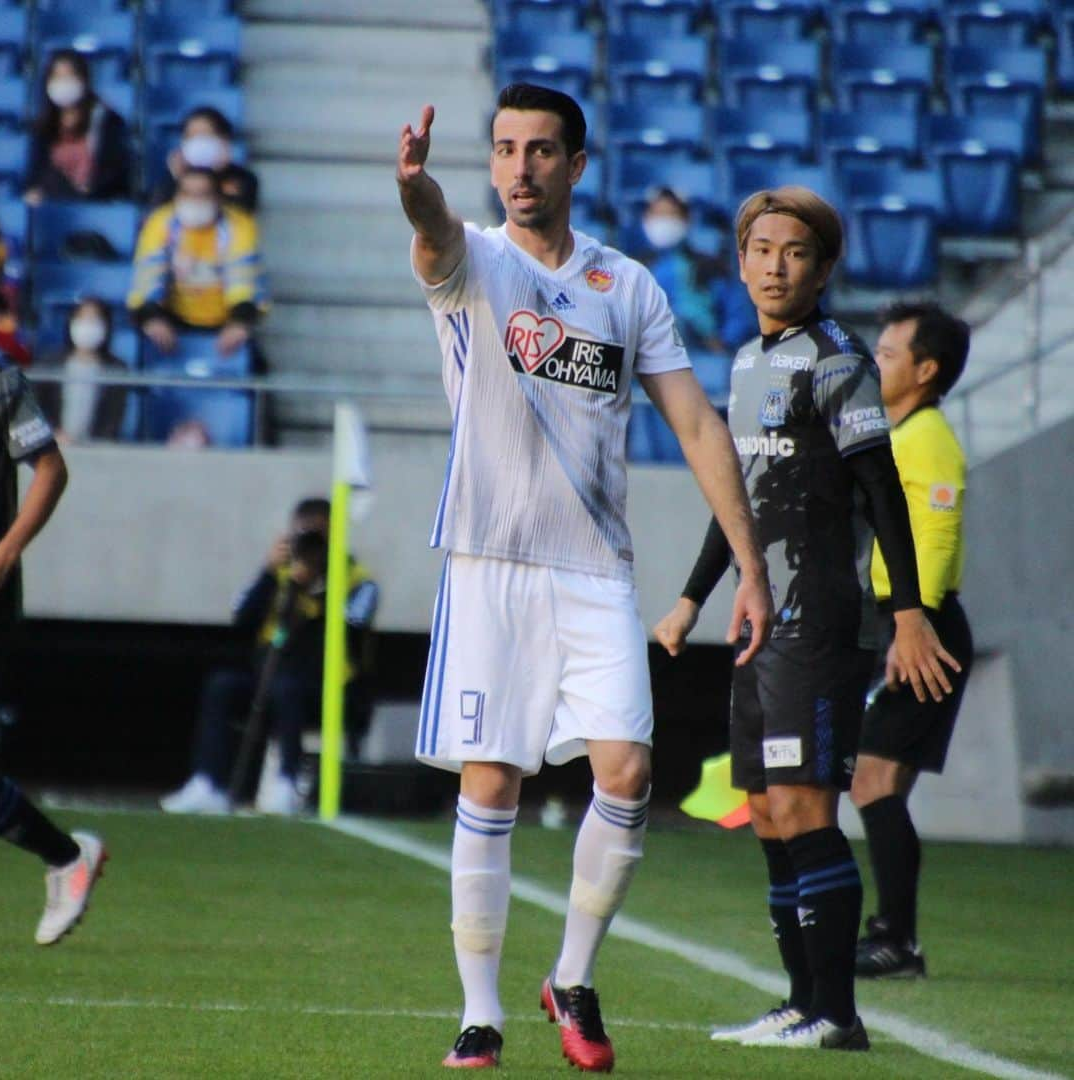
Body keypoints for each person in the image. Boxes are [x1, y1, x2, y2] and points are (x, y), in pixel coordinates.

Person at [397, 84, 772, 1072]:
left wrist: (750, 568)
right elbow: (431, 232)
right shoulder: (471, 260)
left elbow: (696, 425)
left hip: (595, 567)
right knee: (493, 782)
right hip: (488, 559)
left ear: (576, 165)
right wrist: (416, 190)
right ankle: (480, 1013)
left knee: (630, 773)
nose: (521, 167)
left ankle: (572, 975)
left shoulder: (629, 288)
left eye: (542, 151)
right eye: (507, 149)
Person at [654, 187, 961, 1051]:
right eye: (759, 249)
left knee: (806, 804)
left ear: (822, 267)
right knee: (766, 809)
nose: (774, 266)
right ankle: (800, 1002)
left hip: (821, 616)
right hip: (763, 619)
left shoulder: (837, 361)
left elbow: (882, 493)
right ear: (742, 259)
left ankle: (838, 1015)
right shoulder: (750, 362)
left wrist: (905, 611)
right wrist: (691, 596)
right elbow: (737, 499)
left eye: (794, 252)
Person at [850, 301, 973, 978]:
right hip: (907, 620)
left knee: (874, 779)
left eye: (890, 354)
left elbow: (938, 531)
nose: (877, 362)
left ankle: (896, 939)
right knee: (878, 780)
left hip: (920, 626)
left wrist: (912, 621)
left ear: (925, 370)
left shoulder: (928, 438)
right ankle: (896, 937)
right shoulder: (902, 433)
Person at [161, 498, 378, 817]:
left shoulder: (357, 579)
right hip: (271, 676)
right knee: (222, 685)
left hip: (330, 686)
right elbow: (240, 614)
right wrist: (269, 572)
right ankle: (208, 783)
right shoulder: (279, 572)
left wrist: (318, 585)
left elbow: (353, 624)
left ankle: (286, 783)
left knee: (287, 689)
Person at [0, 345, 106, 944]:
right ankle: (66, 857)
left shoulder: (0, 381)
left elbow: (51, 469)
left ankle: (66, 858)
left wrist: (5, 553)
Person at [127, 166, 268, 359]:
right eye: (188, 193)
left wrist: (240, 321)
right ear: (177, 196)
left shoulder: (239, 225)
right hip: (173, 318)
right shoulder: (160, 222)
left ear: (218, 198)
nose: (194, 200)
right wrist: (151, 316)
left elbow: (242, 275)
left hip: (225, 319)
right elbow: (149, 272)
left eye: (203, 194)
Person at [639, 187, 757, 360]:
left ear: (686, 220)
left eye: (671, 214)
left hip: (700, 352)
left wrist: (723, 341)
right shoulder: (635, 266)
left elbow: (738, 312)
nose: (663, 221)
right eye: (657, 214)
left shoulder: (709, 267)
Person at [24, 50, 132, 205]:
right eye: (57, 77)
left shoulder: (108, 121)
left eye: (69, 76)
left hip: (96, 200)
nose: (63, 84)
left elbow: (114, 171)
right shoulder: (43, 126)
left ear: (83, 80)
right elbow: (35, 174)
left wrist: (90, 189)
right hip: (53, 202)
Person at [35, 298, 128, 443]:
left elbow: (113, 417)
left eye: (94, 320)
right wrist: (53, 433)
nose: (87, 325)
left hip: (95, 454)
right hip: (54, 448)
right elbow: (36, 406)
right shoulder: (49, 364)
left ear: (106, 326)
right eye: (82, 319)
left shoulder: (117, 370)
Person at [149, 106, 259, 214]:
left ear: (224, 139)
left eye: (204, 135)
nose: (198, 142)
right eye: (191, 136)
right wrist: (178, 180)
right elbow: (159, 214)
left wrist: (218, 174)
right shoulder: (173, 178)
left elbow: (239, 214)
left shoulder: (244, 179)